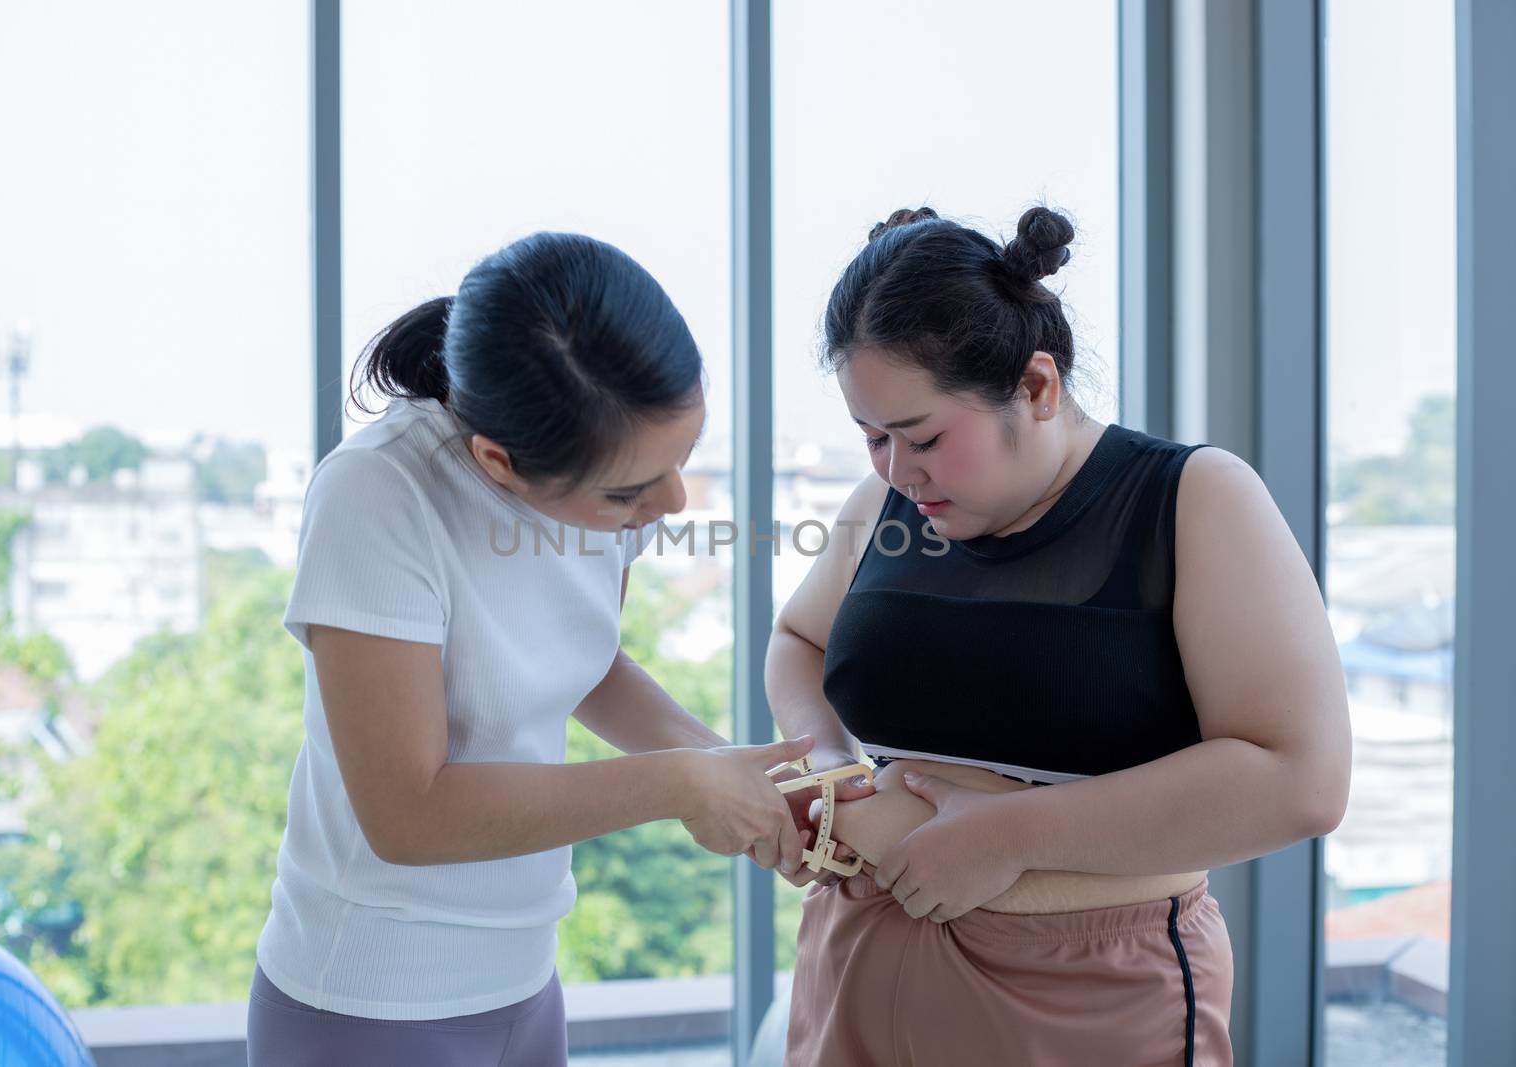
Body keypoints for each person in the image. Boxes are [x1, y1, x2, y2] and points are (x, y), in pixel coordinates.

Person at [765, 207, 1352, 1066]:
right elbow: (797, 640)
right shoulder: (889, 504)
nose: (896, 469)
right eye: (872, 438)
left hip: (1087, 993)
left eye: (923, 436)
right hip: (853, 956)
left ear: (1037, 387)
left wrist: (1009, 836)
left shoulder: (1191, 499)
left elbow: (1302, 778)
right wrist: (821, 762)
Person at [248, 232, 817, 1066]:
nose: (671, 500)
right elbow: (407, 815)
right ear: (498, 463)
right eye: (629, 490)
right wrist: (682, 782)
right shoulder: (377, 493)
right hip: (369, 1005)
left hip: (525, 984)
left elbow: (587, 663)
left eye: (682, 458)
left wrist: (735, 766)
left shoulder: (599, 477)